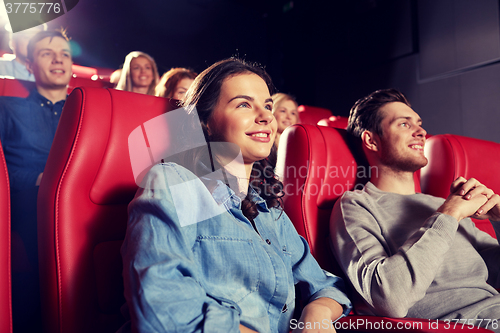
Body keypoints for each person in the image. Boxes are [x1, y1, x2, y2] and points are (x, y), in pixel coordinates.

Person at [120, 58, 351, 333]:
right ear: (204, 121)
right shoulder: (173, 182)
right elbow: (163, 310)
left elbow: (325, 284)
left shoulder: (269, 208)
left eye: (267, 105)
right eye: (243, 104)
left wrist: (317, 316)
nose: (266, 116)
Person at [330, 88, 500, 331]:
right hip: (468, 324)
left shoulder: (440, 203)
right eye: (404, 124)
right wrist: (448, 215)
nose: (421, 132)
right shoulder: (357, 204)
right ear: (371, 140)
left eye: (419, 124)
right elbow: (390, 299)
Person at [0, 28, 72, 332]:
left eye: (65, 54)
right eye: (47, 53)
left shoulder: (89, 109)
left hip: (80, 207)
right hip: (29, 206)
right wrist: (41, 178)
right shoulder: (8, 108)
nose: (58, 60)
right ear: (29, 64)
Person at [267, 93, 299, 168]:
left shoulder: (299, 147)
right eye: (283, 111)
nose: (289, 117)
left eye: (293, 113)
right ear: (272, 112)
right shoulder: (264, 145)